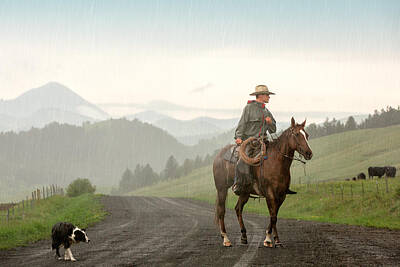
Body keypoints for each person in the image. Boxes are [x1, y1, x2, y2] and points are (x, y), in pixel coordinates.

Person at [232, 84, 297, 195]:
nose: (269, 97)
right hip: (250, 141)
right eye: (267, 95)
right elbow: (242, 124)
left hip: (264, 141)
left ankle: (283, 185)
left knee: (280, 158)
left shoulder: (267, 111)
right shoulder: (248, 108)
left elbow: (273, 130)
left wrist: (270, 123)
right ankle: (239, 184)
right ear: (260, 96)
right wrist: (238, 137)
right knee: (242, 162)